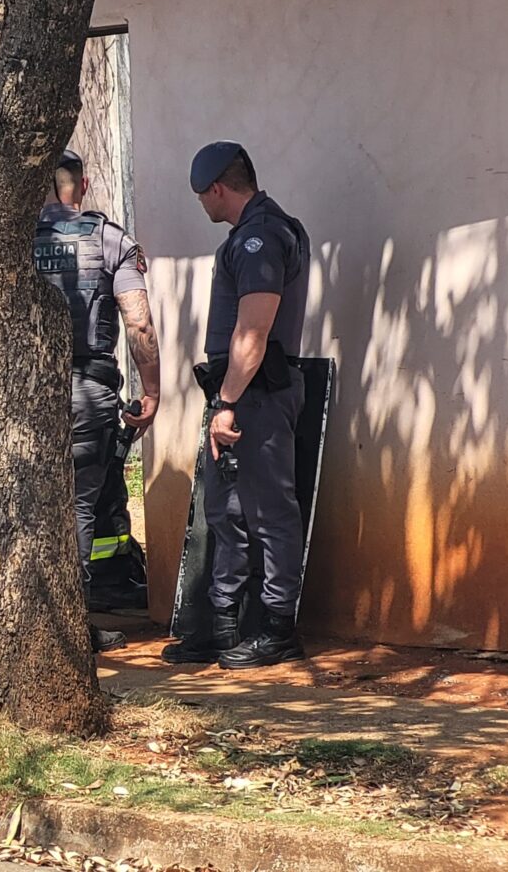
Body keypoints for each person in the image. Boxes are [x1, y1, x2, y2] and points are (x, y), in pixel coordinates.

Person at [163, 141, 312, 669]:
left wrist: (227, 402)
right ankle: (223, 626)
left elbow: (254, 328)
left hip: (256, 394)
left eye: (202, 195)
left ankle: (276, 628)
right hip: (239, 393)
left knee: (270, 512)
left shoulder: (261, 237)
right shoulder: (251, 234)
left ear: (218, 189)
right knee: (226, 511)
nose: (202, 204)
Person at [35, 150, 163, 651]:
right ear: (82, 186)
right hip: (87, 388)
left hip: (23, 397)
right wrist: (150, 390)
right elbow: (139, 323)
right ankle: (70, 628)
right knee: (80, 505)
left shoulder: (9, 243)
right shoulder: (110, 241)